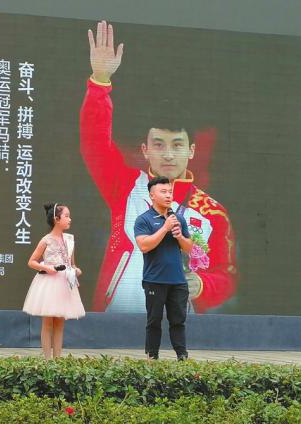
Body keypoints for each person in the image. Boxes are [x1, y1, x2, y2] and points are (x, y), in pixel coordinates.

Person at [81, 21, 238, 313]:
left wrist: (202, 285)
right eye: (159, 144)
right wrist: (100, 81)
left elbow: (226, 277)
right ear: (145, 150)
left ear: (191, 151)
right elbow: (95, 142)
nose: (168, 154)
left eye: (177, 145)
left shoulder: (212, 213)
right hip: (115, 321)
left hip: (176, 324)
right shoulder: (125, 186)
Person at [135, 176, 193, 360]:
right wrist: (165, 228)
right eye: (163, 192)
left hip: (178, 280)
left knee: (178, 321)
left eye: (170, 192)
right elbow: (144, 246)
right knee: (154, 321)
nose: (168, 196)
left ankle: (182, 357)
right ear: (152, 195)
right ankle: (152, 359)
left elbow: (189, 247)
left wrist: (180, 237)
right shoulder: (143, 220)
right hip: (154, 279)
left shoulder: (179, 219)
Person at [23, 203, 85, 359]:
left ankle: (57, 360)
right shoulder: (46, 240)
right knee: (47, 322)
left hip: (64, 283)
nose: (70, 219)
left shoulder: (70, 239)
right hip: (49, 283)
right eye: (66, 216)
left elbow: (72, 263)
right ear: (56, 219)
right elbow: (31, 262)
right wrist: (47, 268)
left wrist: (76, 270)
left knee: (59, 323)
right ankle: (47, 360)